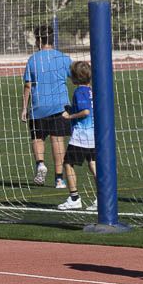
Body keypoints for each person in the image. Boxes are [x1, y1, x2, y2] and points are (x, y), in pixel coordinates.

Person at [22, 25, 72, 188]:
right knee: (57, 142)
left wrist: (24, 108)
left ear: (38, 40)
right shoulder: (63, 58)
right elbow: (75, 77)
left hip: (38, 106)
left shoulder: (33, 59)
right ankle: (59, 178)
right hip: (60, 106)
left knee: (37, 138)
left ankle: (40, 164)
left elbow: (28, 85)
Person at [58, 61, 97, 212]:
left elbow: (85, 111)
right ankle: (103, 198)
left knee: (68, 163)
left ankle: (74, 198)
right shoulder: (91, 90)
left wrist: (70, 116)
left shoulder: (79, 91)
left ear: (74, 77)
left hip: (82, 135)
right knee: (93, 164)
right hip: (94, 133)